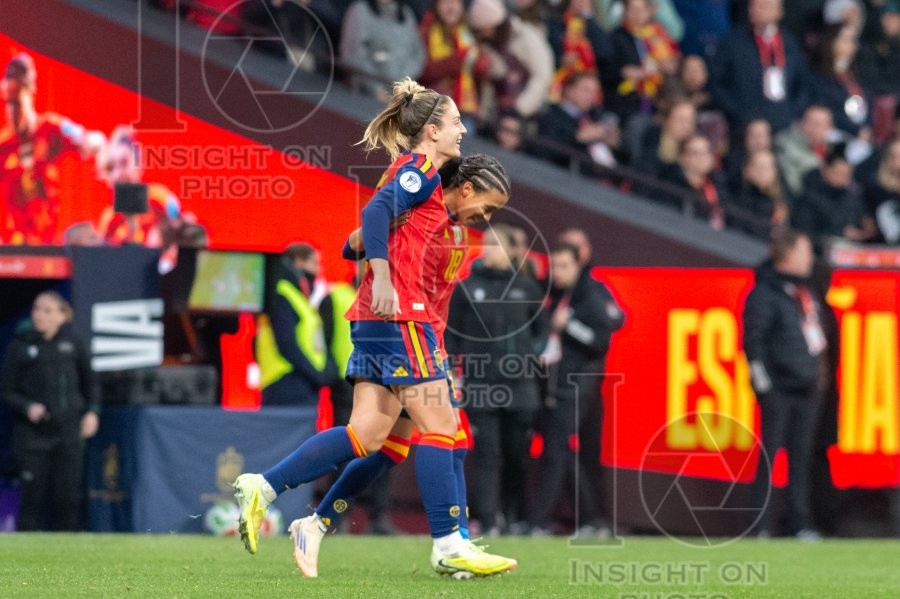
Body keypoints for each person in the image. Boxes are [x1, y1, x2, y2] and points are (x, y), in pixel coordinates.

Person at [232, 79, 515, 578]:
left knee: (372, 437)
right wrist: (382, 273)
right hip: (400, 317)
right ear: (432, 131)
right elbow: (376, 211)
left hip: (395, 324)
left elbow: (356, 240)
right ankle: (450, 543)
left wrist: (371, 243)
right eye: (455, 123)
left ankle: (282, 498)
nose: (462, 130)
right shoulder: (419, 171)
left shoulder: (432, 201)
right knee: (443, 429)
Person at [445, 225, 549, 536]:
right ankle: (488, 520)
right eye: (487, 244)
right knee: (486, 454)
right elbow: (451, 336)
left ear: (511, 251)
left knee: (516, 454)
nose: (488, 249)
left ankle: (512, 514)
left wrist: (531, 356)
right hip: (481, 386)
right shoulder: (467, 288)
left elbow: (542, 331)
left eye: (495, 244)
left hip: (521, 387)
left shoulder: (527, 288)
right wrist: (453, 372)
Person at [528, 242, 624, 535]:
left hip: (577, 384)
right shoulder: (551, 294)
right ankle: (591, 518)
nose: (557, 272)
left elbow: (600, 341)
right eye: (554, 266)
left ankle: (539, 521)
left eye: (564, 266)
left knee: (556, 449)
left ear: (578, 266)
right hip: (550, 383)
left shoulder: (591, 296)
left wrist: (569, 326)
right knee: (560, 451)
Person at [743, 229, 826, 540]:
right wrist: (764, 385)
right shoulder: (765, 293)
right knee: (768, 458)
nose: (810, 258)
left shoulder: (803, 291)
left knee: (800, 460)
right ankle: (760, 526)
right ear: (788, 255)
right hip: (778, 388)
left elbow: (812, 335)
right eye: (805, 251)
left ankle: (799, 523)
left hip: (806, 388)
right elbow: (753, 342)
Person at [0, 292, 99, 530]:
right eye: (36, 309)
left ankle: (70, 548)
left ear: (61, 316)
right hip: (33, 434)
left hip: (68, 430)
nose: (39, 315)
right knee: (32, 499)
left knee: (68, 498)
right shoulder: (20, 345)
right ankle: (26, 550)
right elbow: (6, 390)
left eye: (47, 310)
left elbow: (91, 382)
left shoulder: (73, 343)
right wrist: (27, 406)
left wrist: (93, 412)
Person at [0, 53, 104, 245]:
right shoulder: (3, 145)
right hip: (13, 246)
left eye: (17, 101)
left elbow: (90, 139)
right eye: (8, 102)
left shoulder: (50, 128)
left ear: (30, 93)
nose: (12, 110)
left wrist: (93, 145)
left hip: (47, 241)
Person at [709, 0, 809, 134]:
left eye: (764, 6)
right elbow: (716, 82)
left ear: (779, 11)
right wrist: (739, 114)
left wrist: (790, 113)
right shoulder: (733, 42)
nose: (757, 10)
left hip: (782, 126)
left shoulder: (790, 43)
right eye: (754, 5)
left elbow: (803, 83)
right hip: (743, 127)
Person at [255, 243, 333, 406]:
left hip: (301, 381)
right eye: (314, 263)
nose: (319, 270)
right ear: (298, 262)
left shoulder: (298, 297)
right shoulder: (283, 293)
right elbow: (286, 342)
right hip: (285, 380)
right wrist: (315, 373)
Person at [418, 0, 489, 133]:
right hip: (434, 108)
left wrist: (481, 63)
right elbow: (422, 70)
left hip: (464, 111)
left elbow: (479, 75)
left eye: (456, 2)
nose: (451, 7)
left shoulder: (466, 34)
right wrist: (458, 60)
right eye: (445, 2)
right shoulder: (427, 29)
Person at [603, 0, 680, 122]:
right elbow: (606, 71)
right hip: (628, 99)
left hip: (659, 95)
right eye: (633, 10)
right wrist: (625, 72)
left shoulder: (658, 35)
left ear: (649, 12)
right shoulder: (615, 37)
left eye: (641, 10)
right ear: (625, 12)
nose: (638, 14)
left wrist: (667, 65)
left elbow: (673, 62)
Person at [793, 142, 876, 250]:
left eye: (847, 175)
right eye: (838, 173)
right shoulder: (808, 198)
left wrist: (866, 231)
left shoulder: (853, 197)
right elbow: (804, 234)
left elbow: (864, 225)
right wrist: (839, 235)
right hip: (821, 253)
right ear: (825, 170)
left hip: (854, 250)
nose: (843, 179)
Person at [535, 72, 622, 172]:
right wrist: (577, 137)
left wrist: (614, 144)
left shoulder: (594, 117)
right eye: (586, 90)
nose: (591, 96)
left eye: (594, 92)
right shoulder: (551, 114)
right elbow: (543, 150)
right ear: (569, 90)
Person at [340, 0, 425, 99]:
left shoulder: (406, 14)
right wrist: (376, 89)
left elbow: (418, 54)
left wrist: (402, 83)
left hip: (400, 93)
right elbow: (353, 56)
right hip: (365, 95)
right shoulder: (360, 11)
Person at [774, 105, 834, 197]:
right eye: (813, 123)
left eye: (823, 124)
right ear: (802, 124)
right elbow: (795, 187)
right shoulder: (786, 145)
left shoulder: (836, 148)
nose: (816, 129)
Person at [736, 149, 792, 237]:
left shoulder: (780, 200)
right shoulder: (741, 197)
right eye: (761, 167)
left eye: (770, 167)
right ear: (747, 170)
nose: (766, 172)